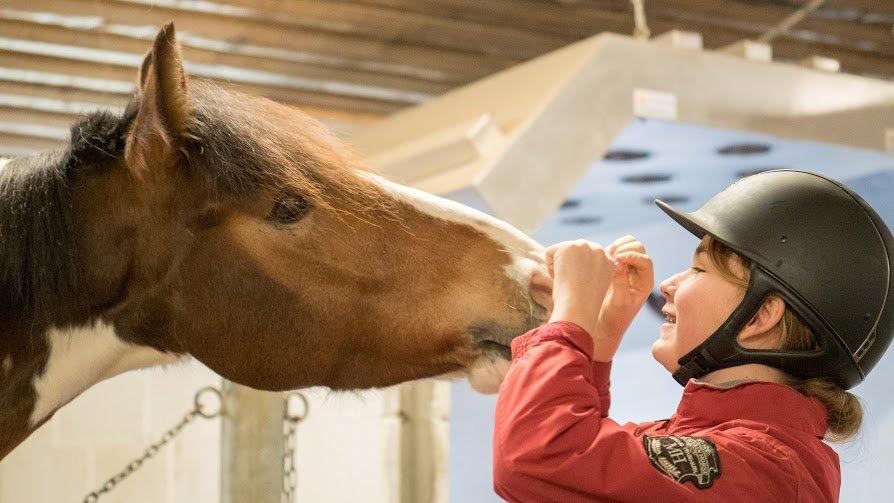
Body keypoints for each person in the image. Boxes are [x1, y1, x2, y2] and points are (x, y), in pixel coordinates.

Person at [493, 170, 894, 502]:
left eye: (699, 270)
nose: (668, 284)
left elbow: (537, 460)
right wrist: (601, 334)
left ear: (761, 315)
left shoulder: (764, 470)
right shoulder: (729, 447)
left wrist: (571, 319)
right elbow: (578, 475)